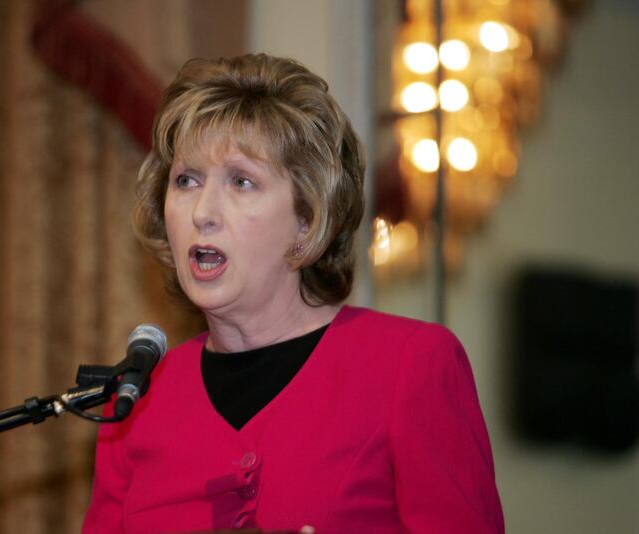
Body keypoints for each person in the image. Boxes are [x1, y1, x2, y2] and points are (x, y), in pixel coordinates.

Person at [82, 53, 504, 534]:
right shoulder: (136, 400)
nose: (203, 211)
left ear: (307, 220)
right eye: (186, 181)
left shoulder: (411, 365)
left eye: (241, 182)